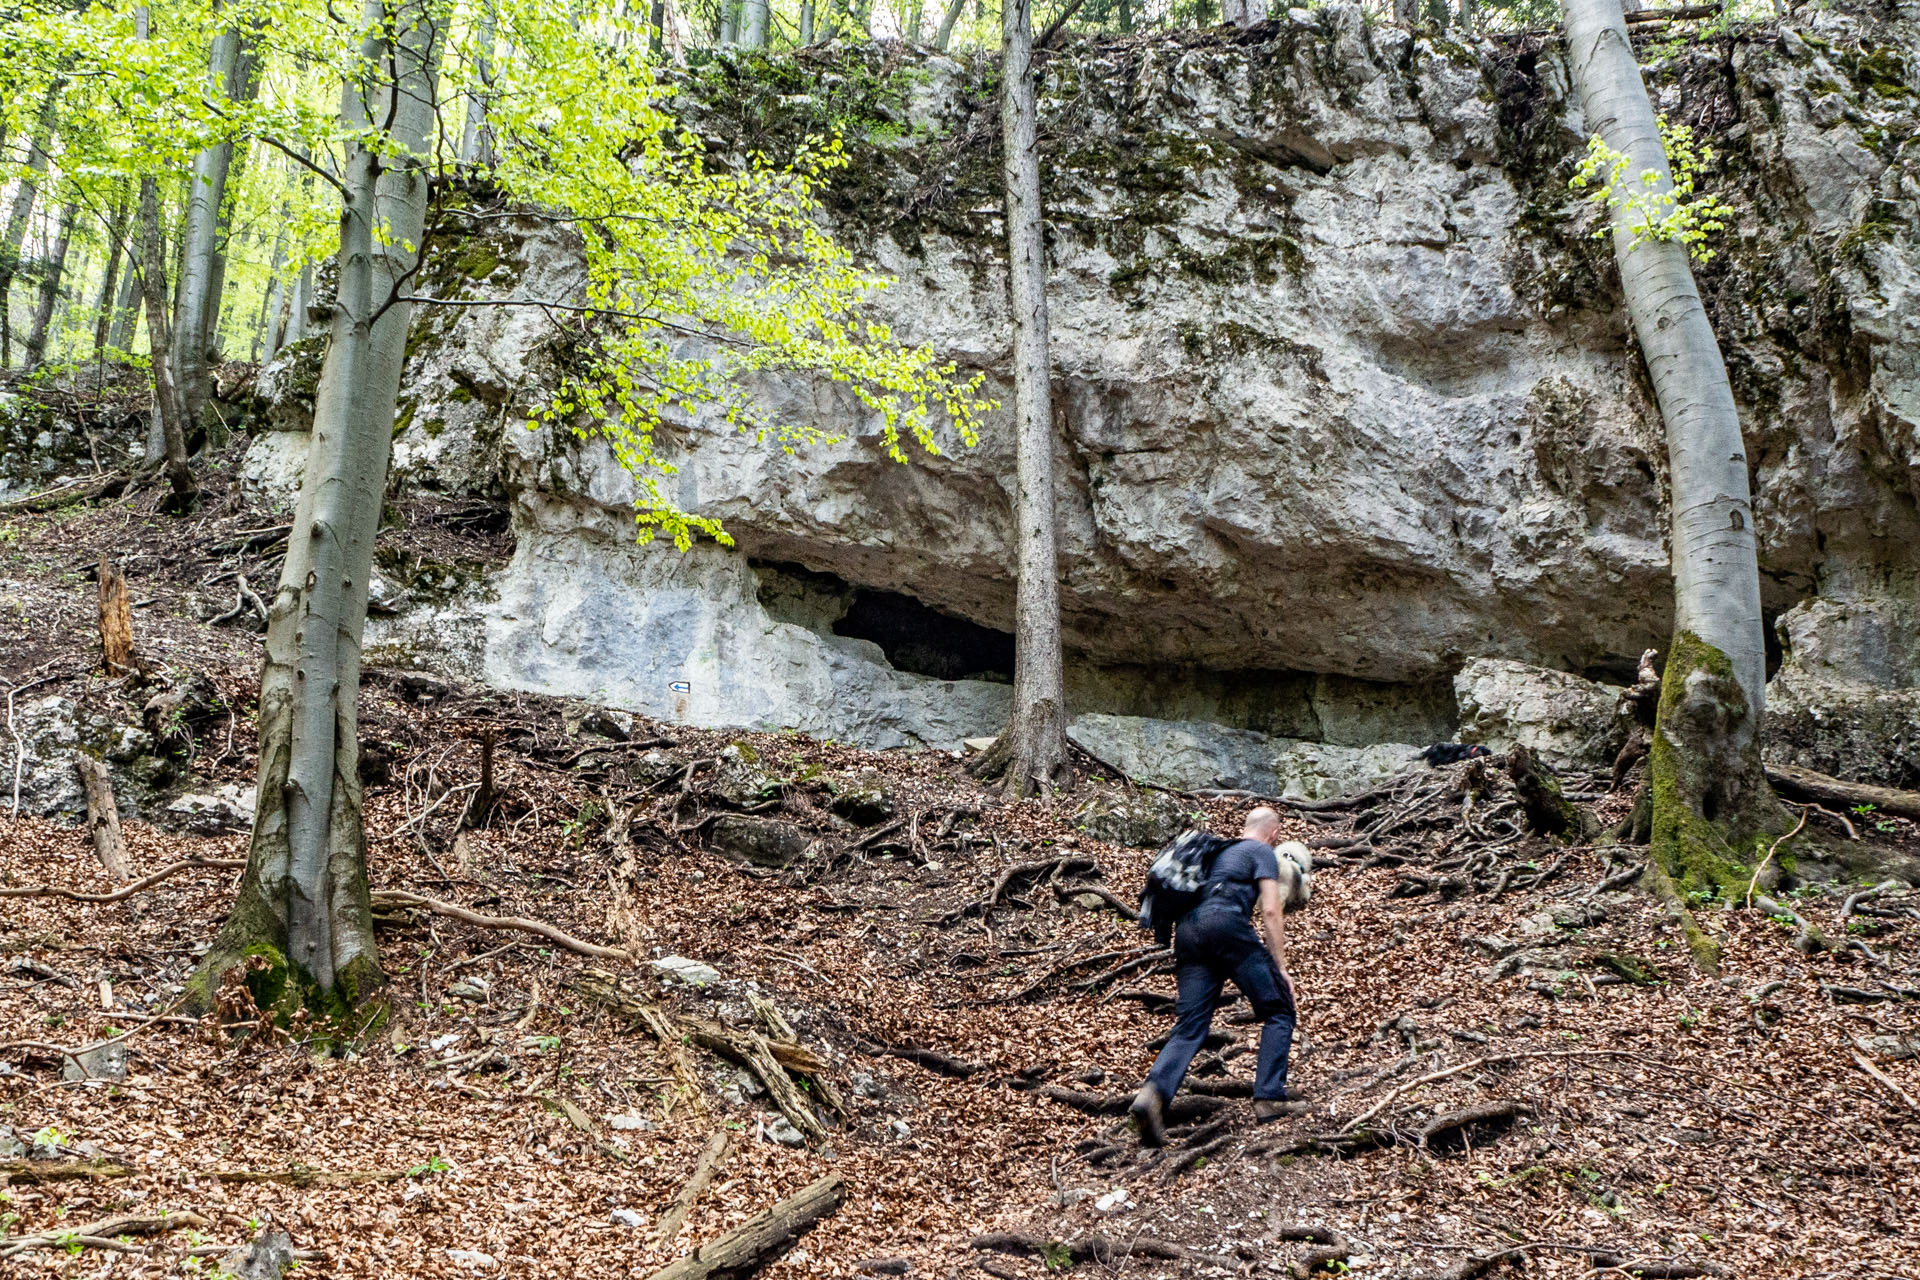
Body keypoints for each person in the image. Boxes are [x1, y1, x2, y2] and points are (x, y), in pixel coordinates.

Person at [1130, 807, 1308, 1146]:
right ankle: (1269, 1096)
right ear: (1273, 833)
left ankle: (1152, 1096)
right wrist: (1281, 968)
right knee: (1279, 1010)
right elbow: (1270, 910)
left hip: (1188, 933)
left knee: (1190, 1026)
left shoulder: (1217, 852)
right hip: (1225, 925)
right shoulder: (1261, 853)